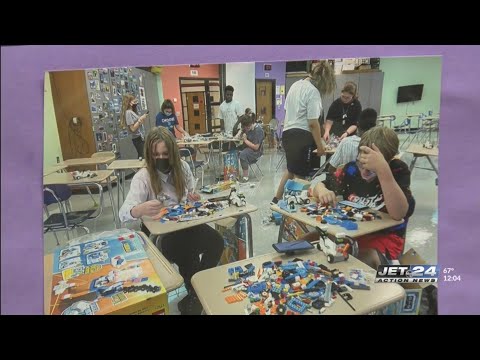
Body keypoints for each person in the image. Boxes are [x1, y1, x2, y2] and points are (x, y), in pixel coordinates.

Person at [118, 127, 224, 315]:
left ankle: (194, 297)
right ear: (150, 156)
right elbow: (123, 214)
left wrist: (193, 198)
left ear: (173, 154)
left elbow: (191, 193)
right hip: (162, 236)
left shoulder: (182, 167)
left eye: (165, 154)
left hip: (186, 225)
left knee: (216, 241)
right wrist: (138, 209)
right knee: (187, 255)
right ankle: (195, 297)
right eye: (156, 154)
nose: (161, 158)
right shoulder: (142, 177)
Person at [301, 127, 415, 269]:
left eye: (372, 169)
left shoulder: (397, 170)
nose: (365, 172)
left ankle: (399, 276)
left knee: (351, 260)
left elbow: (399, 213)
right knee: (307, 242)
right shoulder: (351, 169)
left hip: (384, 243)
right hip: (352, 236)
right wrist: (322, 190)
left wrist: (383, 171)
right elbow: (320, 184)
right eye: (362, 164)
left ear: (388, 161)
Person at [272, 60, 336, 204]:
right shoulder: (313, 92)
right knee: (302, 176)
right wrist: (320, 146)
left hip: (287, 134)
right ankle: (298, 210)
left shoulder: (295, 85)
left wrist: (320, 141)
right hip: (301, 136)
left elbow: (288, 111)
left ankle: (276, 200)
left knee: (290, 170)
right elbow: (313, 123)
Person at [328, 108, 378, 173]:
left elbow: (331, 168)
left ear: (357, 126)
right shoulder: (378, 145)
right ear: (374, 127)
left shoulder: (346, 142)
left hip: (347, 180)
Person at [235, 115, 264, 183]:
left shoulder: (258, 130)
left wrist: (245, 140)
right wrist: (238, 134)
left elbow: (256, 147)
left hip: (256, 151)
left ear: (251, 124)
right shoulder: (246, 127)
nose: (246, 129)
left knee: (243, 154)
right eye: (245, 128)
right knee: (234, 150)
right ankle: (234, 174)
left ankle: (245, 176)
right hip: (248, 147)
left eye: (247, 128)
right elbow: (241, 132)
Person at [120, 94, 148, 158]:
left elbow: (138, 124)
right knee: (143, 157)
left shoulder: (132, 111)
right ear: (129, 102)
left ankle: (139, 168)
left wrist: (142, 119)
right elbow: (132, 129)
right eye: (133, 101)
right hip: (137, 139)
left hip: (141, 137)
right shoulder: (128, 113)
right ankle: (140, 168)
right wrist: (140, 120)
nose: (136, 102)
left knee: (141, 156)